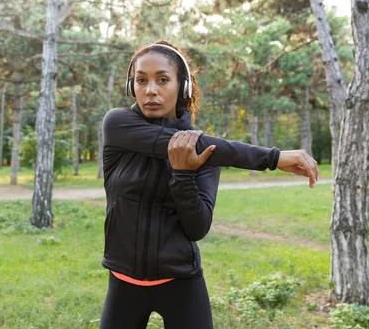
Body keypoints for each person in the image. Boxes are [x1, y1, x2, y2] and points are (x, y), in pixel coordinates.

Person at [99, 40, 319, 329]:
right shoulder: (117, 125)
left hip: (181, 283)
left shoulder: (205, 151)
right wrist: (273, 158)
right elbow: (191, 144)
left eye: (162, 79)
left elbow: (197, 228)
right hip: (123, 283)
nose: (150, 90)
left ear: (183, 87)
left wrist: (183, 175)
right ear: (132, 86)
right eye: (141, 80)